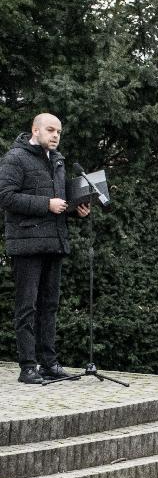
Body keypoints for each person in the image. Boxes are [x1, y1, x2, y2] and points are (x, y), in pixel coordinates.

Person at [0, 113, 90, 384]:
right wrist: (46, 204)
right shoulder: (15, 158)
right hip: (27, 244)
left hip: (54, 241)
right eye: (50, 130)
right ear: (35, 130)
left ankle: (49, 363)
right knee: (27, 307)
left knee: (49, 306)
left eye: (59, 132)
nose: (55, 136)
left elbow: (60, 200)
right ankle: (28, 367)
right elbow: (5, 196)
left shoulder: (58, 160)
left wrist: (76, 210)